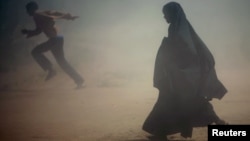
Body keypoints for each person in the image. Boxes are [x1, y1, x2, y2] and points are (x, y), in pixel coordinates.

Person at [142, 2, 228, 140]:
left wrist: (167, 49)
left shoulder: (178, 30)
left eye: (166, 14)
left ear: (173, 14)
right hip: (178, 76)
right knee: (172, 103)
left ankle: (219, 124)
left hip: (183, 77)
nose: (164, 17)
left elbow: (186, 52)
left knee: (187, 103)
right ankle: (160, 133)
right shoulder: (178, 28)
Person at [22, 1, 84, 89]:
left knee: (35, 52)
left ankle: (51, 69)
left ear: (31, 9)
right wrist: (28, 32)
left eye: (27, 10)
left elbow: (53, 15)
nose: (27, 12)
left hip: (55, 40)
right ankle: (79, 80)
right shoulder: (40, 14)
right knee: (62, 62)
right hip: (57, 39)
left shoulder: (37, 15)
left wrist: (66, 17)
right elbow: (39, 30)